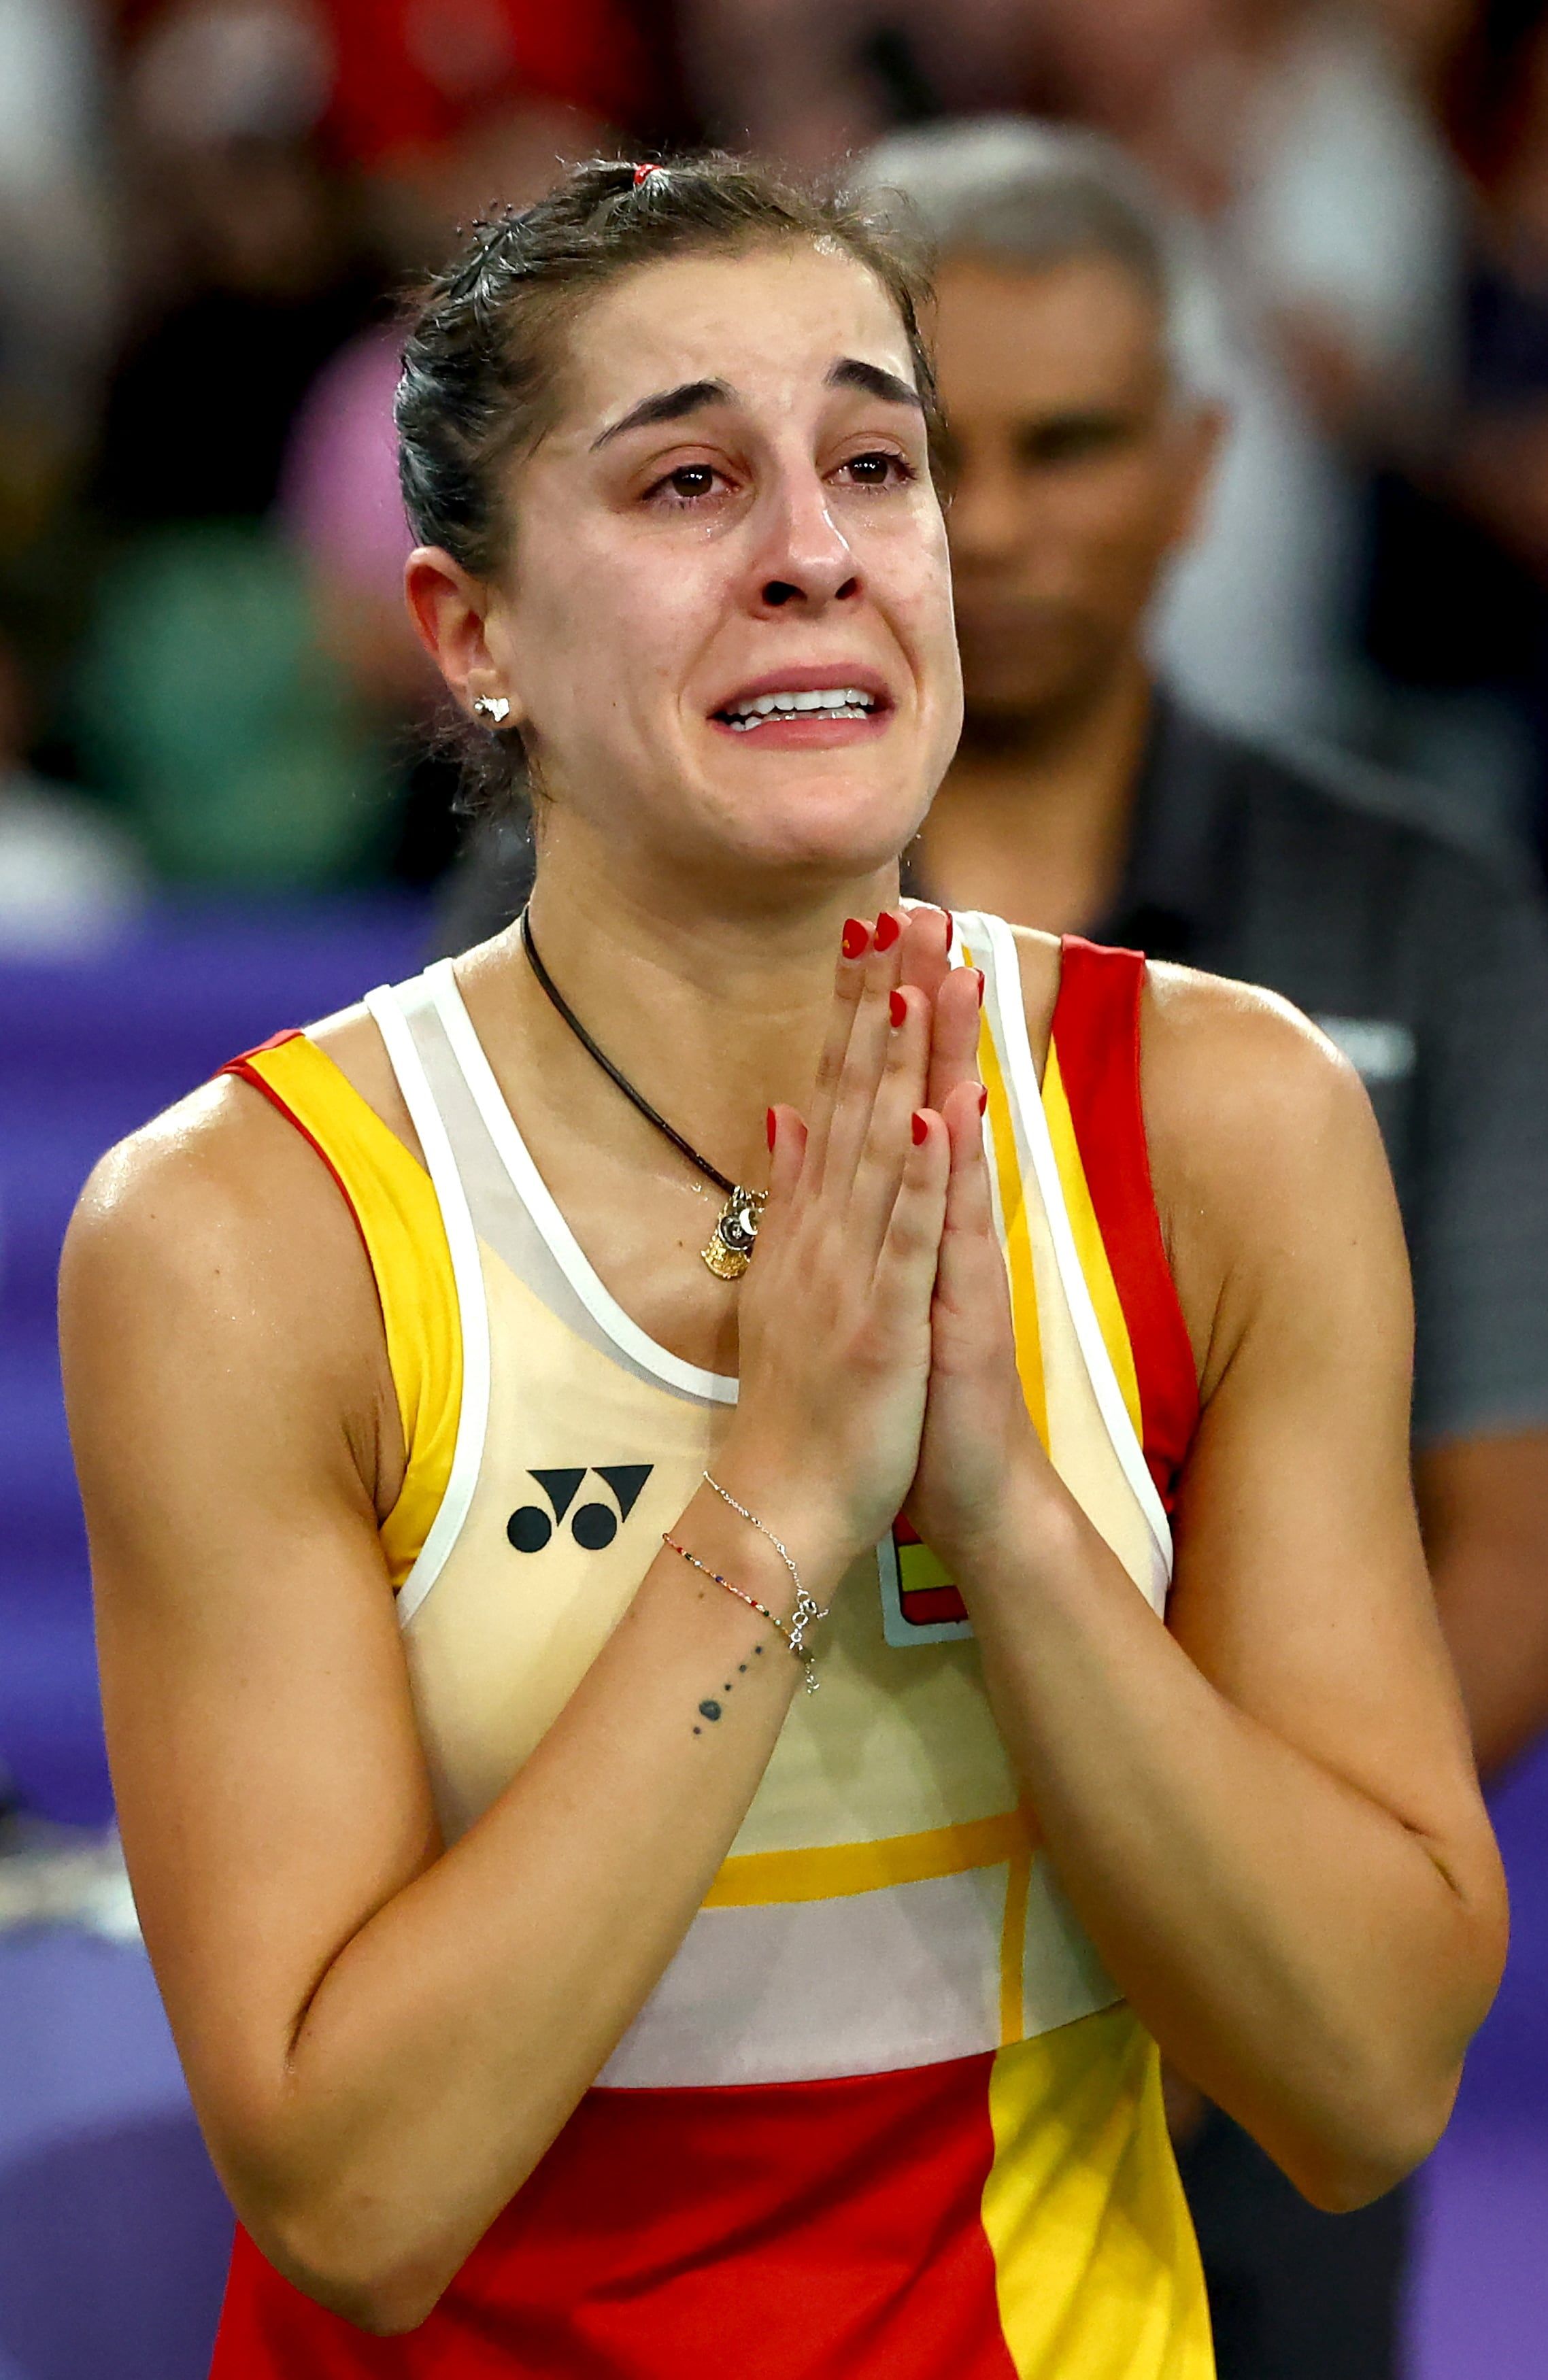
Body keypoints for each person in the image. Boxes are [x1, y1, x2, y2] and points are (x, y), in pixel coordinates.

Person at [59, 155, 1505, 2377]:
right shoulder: (252, 1232)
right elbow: (354, 2188)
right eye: (689, 481)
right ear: (474, 633)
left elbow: (1363, 2081)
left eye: (867, 461)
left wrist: (1008, 1510)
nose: (816, 550)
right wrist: (785, 1500)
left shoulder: (1225, 1119)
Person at [832, 118, 1548, 2379]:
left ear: (1201, 459)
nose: (1008, 522)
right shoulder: (647, 900)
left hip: (1241, 2039)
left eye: (1073, 444)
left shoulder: (1417, 911)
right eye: (933, 455)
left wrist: (1223, 1912)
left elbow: (1506, 1533)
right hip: (768, 2025)